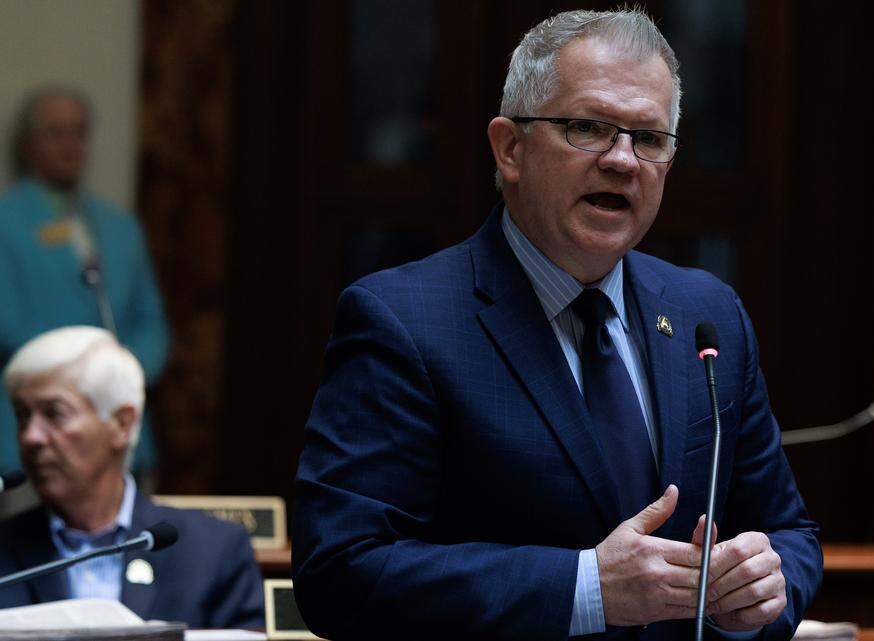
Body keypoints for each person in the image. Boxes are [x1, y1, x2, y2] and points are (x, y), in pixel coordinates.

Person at [293, 9, 821, 640]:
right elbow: (341, 572)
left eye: (649, 138)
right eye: (587, 127)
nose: (623, 160)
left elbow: (790, 534)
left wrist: (760, 591)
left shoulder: (708, 315)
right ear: (509, 148)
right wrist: (588, 590)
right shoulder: (405, 320)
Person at [0, 327, 263, 628]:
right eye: (22, 416)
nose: (31, 436)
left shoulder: (214, 551)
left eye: (54, 413)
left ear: (122, 424)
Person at [0, 87, 169, 487]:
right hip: (39, 435)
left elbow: (152, 322)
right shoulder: (6, 222)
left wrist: (124, 374)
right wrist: (81, 382)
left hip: (121, 433)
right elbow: (8, 323)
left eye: (79, 133)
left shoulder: (119, 226)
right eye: (56, 133)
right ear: (29, 143)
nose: (71, 145)